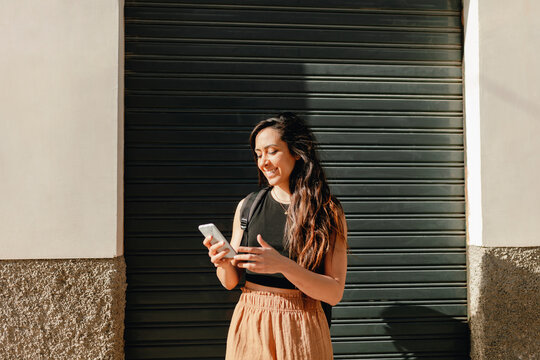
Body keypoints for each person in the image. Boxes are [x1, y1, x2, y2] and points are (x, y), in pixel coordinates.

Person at [202, 112, 348, 360]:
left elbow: (334, 293)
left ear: (296, 152)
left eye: (272, 151)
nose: (263, 162)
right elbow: (231, 282)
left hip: (301, 329)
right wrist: (223, 262)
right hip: (251, 323)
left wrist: (283, 266)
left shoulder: (326, 211)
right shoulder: (248, 207)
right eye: (258, 154)